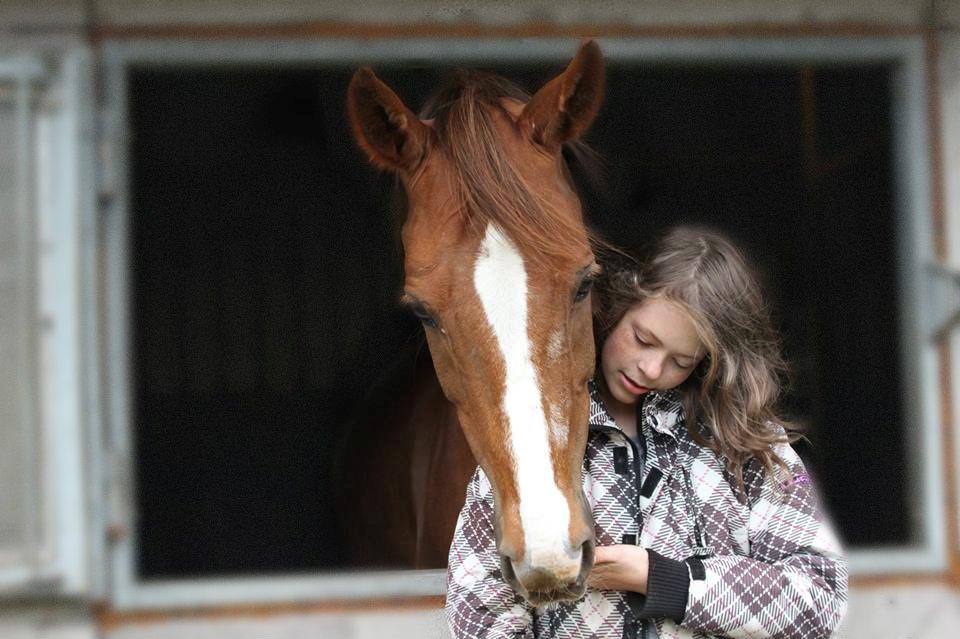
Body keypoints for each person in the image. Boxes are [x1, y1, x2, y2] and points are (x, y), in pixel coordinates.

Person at [445, 226, 848, 639]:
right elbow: (478, 604)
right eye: (643, 339)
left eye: (681, 360)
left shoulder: (749, 443)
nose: (652, 369)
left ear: (709, 361)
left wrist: (663, 580)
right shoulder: (536, 437)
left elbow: (818, 599)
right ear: (618, 306)